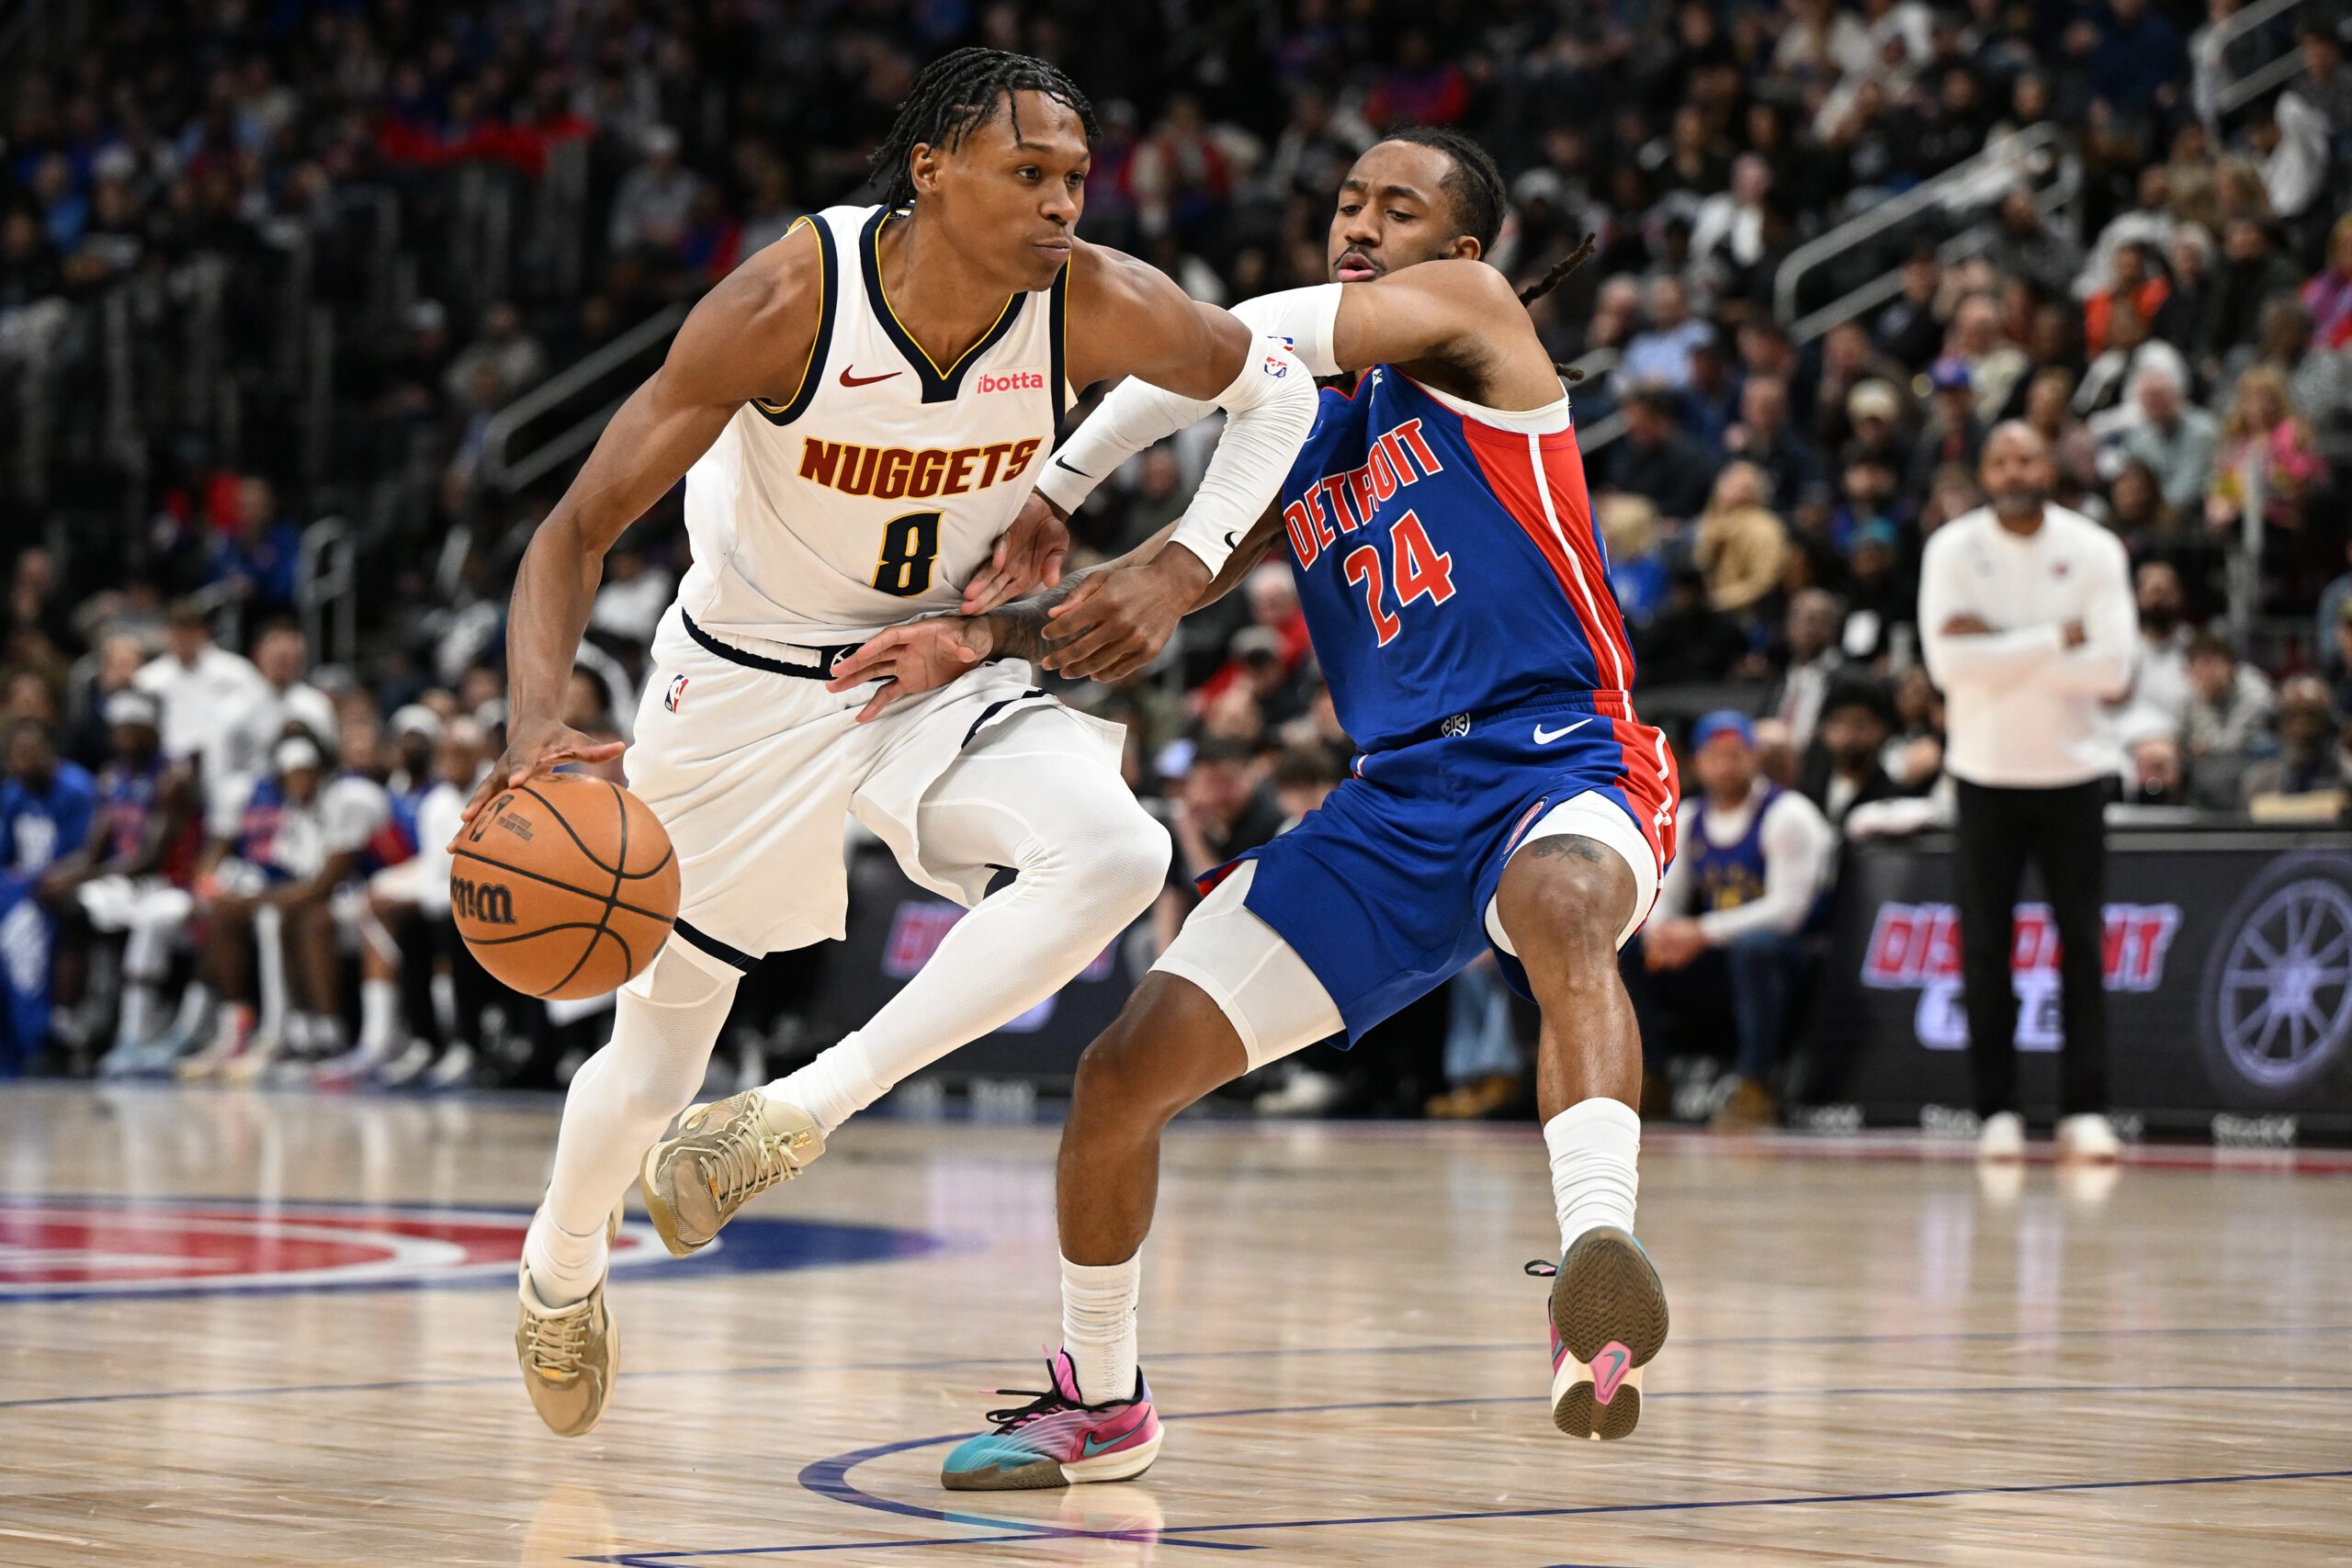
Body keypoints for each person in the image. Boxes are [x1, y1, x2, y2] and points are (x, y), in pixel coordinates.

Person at [469, 50, 1321, 1438]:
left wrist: (1172, 562)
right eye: (1027, 173)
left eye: (1074, 180)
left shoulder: (1092, 297)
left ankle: (795, 1113)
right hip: (738, 689)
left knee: (1116, 845)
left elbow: (1276, 384)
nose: (1061, 204)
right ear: (930, 169)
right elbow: (571, 530)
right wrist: (533, 721)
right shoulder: (787, 299)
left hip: (932, 664)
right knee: (651, 1063)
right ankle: (561, 1264)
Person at [826, 128, 1681, 1477]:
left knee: (1558, 904)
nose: (1359, 223)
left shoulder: (1478, 324)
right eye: (1346, 200)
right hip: (1392, 806)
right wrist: (979, 641)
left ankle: (1596, 1271)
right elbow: (1170, 567)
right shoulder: (1310, 427)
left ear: (1459, 253)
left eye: (1397, 210)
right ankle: (1102, 1400)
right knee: (1119, 1076)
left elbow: (1229, 338)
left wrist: (1063, 472)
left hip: (1560, 754)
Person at [1919, 423, 2134, 1165]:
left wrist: (2000, 645)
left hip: (2075, 772)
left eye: (2028, 456)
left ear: (2051, 465)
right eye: (2000, 458)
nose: (2015, 469)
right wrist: (2057, 636)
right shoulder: (1952, 549)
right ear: (1983, 469)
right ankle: (1998, 1112)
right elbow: (1948, 666)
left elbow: (2113, 670)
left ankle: (2085, 1111)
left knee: (2081, 947)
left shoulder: (2095, 548)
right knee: (1985, 950)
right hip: (1983, 775)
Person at [1628, 711, 1835, 1131]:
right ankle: (1652, 1076)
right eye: (1716, 755)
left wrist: (1702, 932)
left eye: (1737, 754)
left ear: (1755, 758)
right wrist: (1660, 933)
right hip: (1722, 955)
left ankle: (1757, 1084)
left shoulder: (1787, 814)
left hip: (1795, 957)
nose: (1726, 765)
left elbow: (1788, 912)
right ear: (1697, 762)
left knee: (1755, 947)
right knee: (1630, 947)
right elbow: (1661, 896)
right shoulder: (1686, 819)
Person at [1, 720, 96, 1072]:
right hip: (24, 888)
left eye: (32, 753)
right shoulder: (13, 793)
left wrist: (45, 881)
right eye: (17, 756)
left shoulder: (77, 789)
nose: (24, 763)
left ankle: (50, 1027)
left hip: (69, 886)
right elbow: (6, 855)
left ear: (49, 752)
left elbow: (87, 854)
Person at [1797, 679, 1902, 829]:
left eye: (1860, 724)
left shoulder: (1891, 800)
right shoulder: (1807, 784)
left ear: (1882, 730)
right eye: (1839, 721)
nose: (1848, 735)